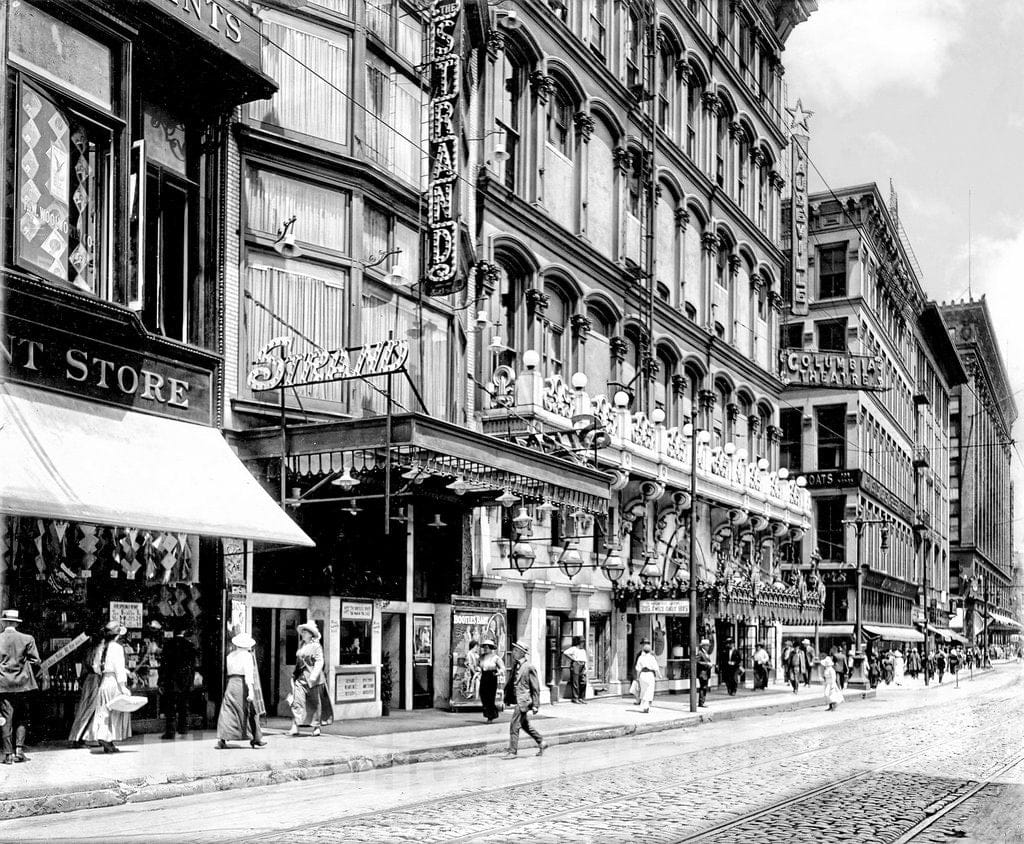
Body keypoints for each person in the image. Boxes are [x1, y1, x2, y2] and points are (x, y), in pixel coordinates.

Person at [0, 609, 43, 764]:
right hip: (23, 685)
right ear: (16, 623)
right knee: (22, 717)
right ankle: (19, 750)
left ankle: (7, 753)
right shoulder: (27, 639)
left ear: (3, 622)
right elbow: (36, 661)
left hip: (3, 684)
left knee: (5, 718)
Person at [85, 622, 132, 754]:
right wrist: (123, 686)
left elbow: (96, 667)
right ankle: (108, 738)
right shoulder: (117, 648)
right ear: (117, 635)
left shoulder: (100, 647)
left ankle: (104, 737)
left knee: (103, 712)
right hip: (114, 682)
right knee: (115, 712)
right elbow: (119, 668)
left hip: (104, 682)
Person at [216, 632, 266, 749]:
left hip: (231, 683)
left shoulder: (230, 656)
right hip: (242, 684)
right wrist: (251, 691)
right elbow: (249, 675)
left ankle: (222, 738)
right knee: (251, 710)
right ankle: (256, 738)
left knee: (228, 710)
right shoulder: (247, 656)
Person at [502, 640, 546, 758]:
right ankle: (541, 741)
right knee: (524, 724)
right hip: (518, 699)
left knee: (514, 724)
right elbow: (512, 683)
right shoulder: (516, 665)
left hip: (524, 701)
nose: (513, 652)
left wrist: (536, 705)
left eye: (516, 650)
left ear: (522, 653)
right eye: (514, 650)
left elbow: (535, 688)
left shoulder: (529, 667)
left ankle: (513, 751)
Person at [289, 622, 333, 737]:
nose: (303, 633)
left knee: (315, 703)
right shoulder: (301, 644)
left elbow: (319, 661)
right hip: (301, 678)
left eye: (305, 631)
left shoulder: (316, 646)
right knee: (297, 701)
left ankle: (316, 727)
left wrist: (314, 675)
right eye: (302, 631)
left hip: (314, 679)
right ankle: (295, 725)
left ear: (311, 634)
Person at [159, 618, 198, 740]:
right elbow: (192, 667)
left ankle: (170, 732)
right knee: (184, 705)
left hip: (171, 680)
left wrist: (160, 681)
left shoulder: (168, 645)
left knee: (170, 706)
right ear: (184, 631)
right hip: (185, 680)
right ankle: (183, 728)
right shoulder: (190, 646)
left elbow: (164, 665)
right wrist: (191, 682)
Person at [68, 634, 102, 748]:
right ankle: (78, 738)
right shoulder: (98, 649)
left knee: (85, 707)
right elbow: (96, 667)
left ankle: (79, 737)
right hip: (95, 679)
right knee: (90, 708)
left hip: (89, 678)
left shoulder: (90, 649)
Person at [478, 639, 505, 722]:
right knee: (483, 695)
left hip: (492, 677)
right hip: (484, 676)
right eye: (484, 647)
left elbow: (502, 668)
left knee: (490, 696)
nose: (485, 649)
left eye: (487, 647)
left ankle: (490, 716)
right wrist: (478, 669)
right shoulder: (481, 657)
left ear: (491, 648)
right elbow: (478, 665)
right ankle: (492, 712)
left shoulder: (496, 658)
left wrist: (498, 672)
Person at [635, 643, 660, 712]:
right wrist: (659, 675)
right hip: (649, 675)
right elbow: (656, 668)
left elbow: (638, 668)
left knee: (643, 690)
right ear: (650, 651)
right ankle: (646, 706)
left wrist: (637, 678)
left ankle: (644, 706)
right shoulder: (651, 657)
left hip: (642, 675)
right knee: (649, 690)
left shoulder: (640, 657)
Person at [562, 637, 588, 704]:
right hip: (576, 664)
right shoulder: (574, 649)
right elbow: (565, 653)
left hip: (582, 665)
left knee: (583, 682)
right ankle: (575, 698)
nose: (583, 643)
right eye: (581, 642)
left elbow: (585, 660)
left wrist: (585, 668)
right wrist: (573, 659)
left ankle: (582, 697)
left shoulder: (583, 650)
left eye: (583, 642)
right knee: (575, 682)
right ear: (578, 642)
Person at [696, 639, 713, 707]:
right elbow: (697, 662)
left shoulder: (706, 653)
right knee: (703, 687)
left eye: (708, 646)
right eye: (707, 646)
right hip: (702, 673)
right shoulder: (700, 653)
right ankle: (701, 702)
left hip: (706, 673)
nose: (708, 647)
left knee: (704, 687)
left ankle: (702, 701)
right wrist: (707, 664)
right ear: (703, 646)